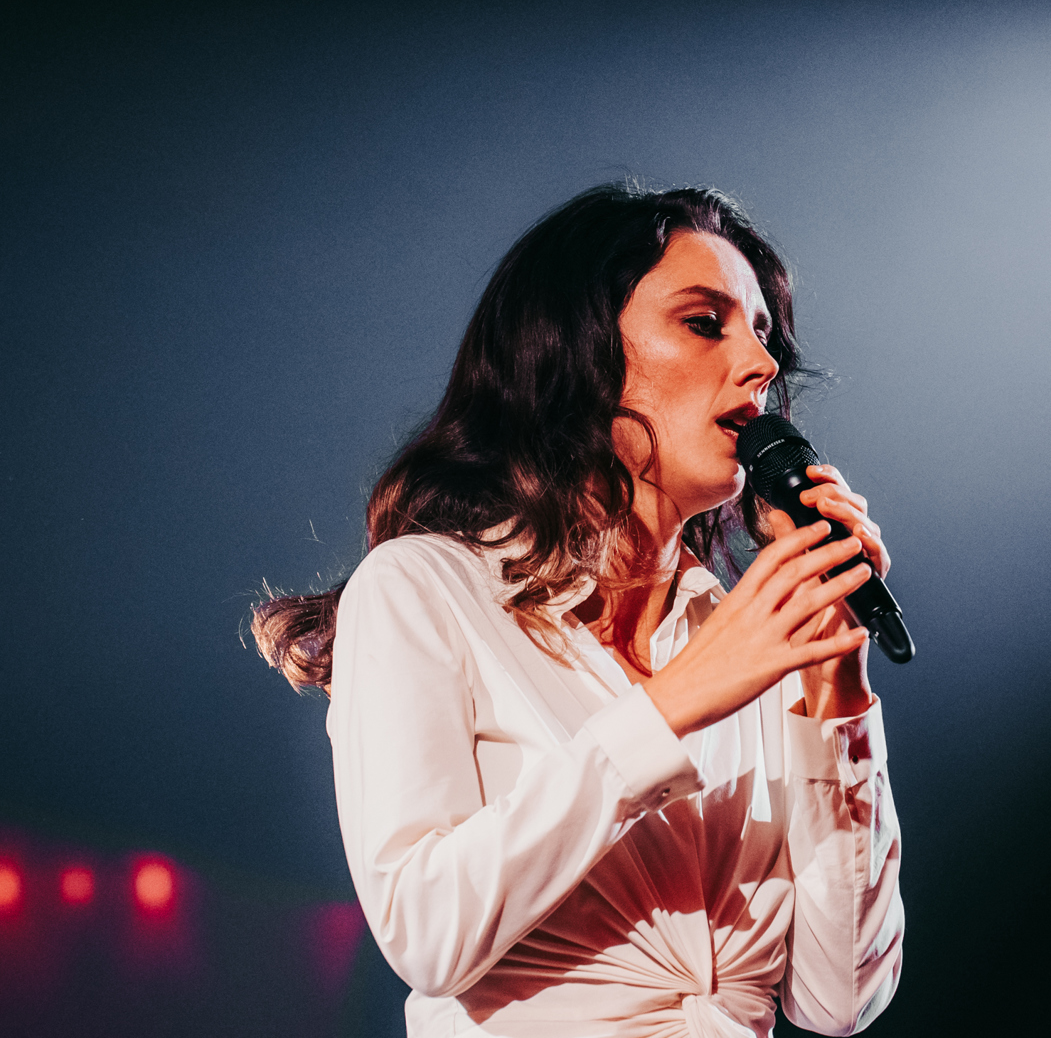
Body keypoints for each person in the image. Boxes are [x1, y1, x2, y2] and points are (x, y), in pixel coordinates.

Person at [252, 184, 904, 1038]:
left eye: (763, 333)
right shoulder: (423, 591)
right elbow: (425, 933)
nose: (761, 363)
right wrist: (666, 712)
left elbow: (838, 1001)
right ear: (578, 355)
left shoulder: (742, 635)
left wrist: (835, 687)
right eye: (705, 323)